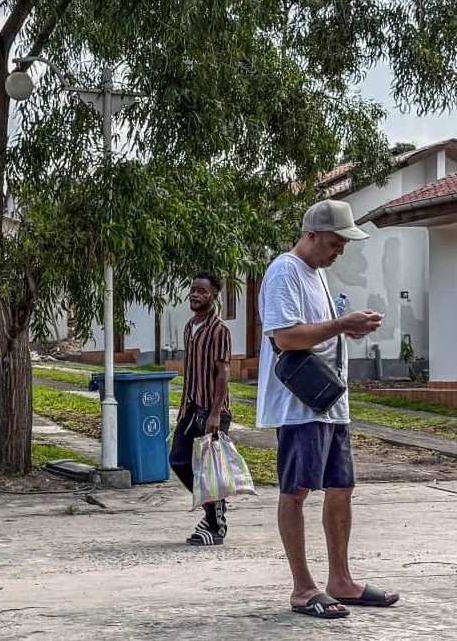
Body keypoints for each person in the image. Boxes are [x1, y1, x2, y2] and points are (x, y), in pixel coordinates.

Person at [256, 199, 399, 619]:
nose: (340, 251)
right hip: (300, 405)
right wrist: (341, 325)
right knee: (297, 490)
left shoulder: (316, 274)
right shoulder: (285, 271)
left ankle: (341, 579)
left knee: (341, 487)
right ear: (311, 235)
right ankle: (303, 588)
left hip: (329, 402)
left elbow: (314, 333)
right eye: (336, 242)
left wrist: (346, 330)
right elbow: (285, 337)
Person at [169, 273, 233, 546]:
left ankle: (216, 527)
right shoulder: (189, 327)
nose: (195, 295)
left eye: (202, 292)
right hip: (190, 407)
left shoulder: (219, 330)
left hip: (211, 409)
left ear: (214, 296)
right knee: (178, 459)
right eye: (193, 290)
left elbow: (223, 372)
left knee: (208, 469)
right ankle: (213, 510)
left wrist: (216, 413)